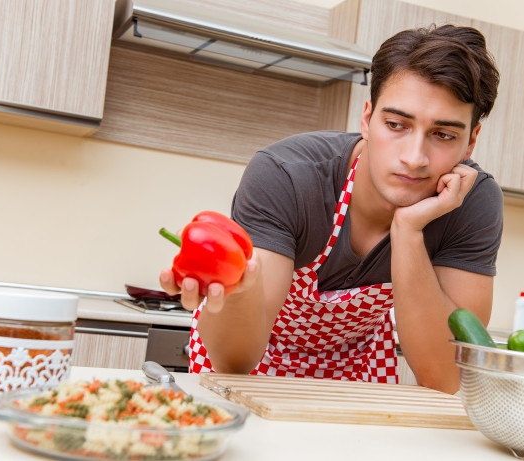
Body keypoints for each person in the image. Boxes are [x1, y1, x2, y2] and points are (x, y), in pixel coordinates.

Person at [160, 24, 502, 394]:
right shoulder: (287, 176)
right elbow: (235, 363)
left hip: (357, 374)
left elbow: (445, 379)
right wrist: (237, 294)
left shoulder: (472, 203)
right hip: (252, 366)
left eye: (444, 135)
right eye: (395, 124)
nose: (414, 158)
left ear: (471, 142)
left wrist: (408, 231)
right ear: (366, 119)